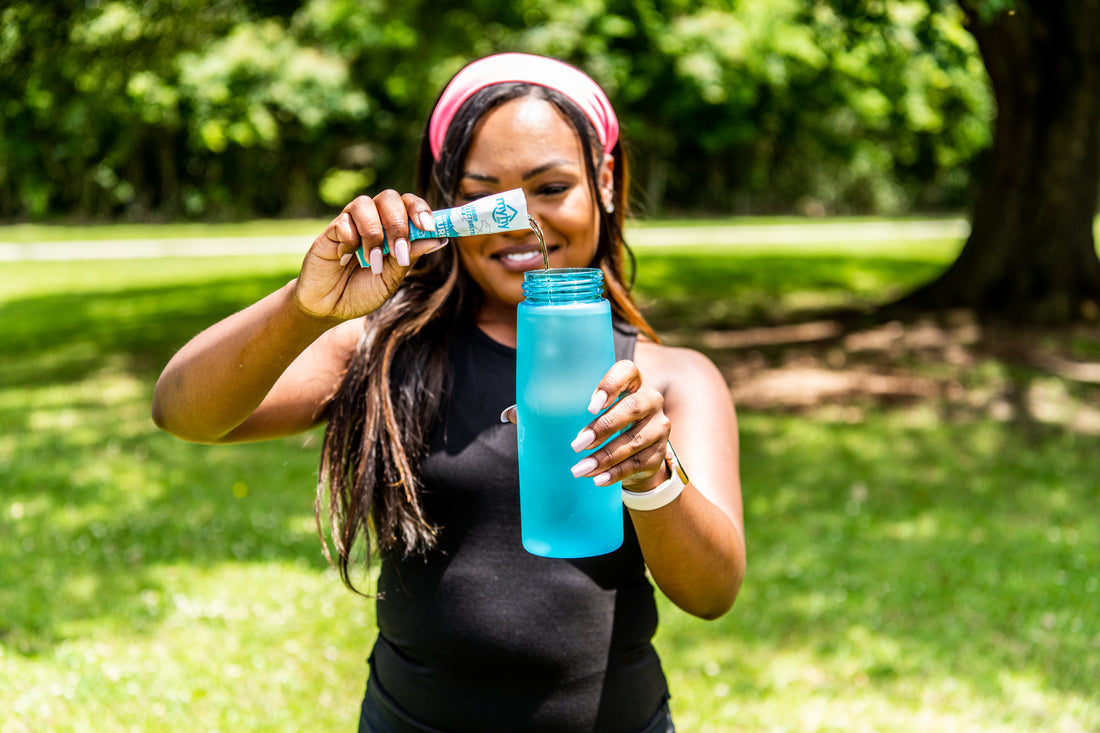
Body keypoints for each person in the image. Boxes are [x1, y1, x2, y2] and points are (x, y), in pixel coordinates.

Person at [152, 52, 745, 733]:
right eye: (485, 194)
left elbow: (712, 590)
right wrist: (305, 307)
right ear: (446, 201)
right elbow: (183, 411)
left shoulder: (671, 380)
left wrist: (651, 473)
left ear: (604, 180)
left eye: (551, 188)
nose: (522, 225)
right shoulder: (384, 351)